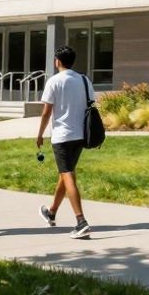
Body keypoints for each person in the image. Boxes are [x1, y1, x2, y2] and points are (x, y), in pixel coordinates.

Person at [35, 45, 93, 240]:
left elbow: (46, 112)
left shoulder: (54, 81)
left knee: (68, 176)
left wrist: (40, 134)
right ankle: (51, 212)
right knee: (65, 173)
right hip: (80, 136)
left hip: (62, 137)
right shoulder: (84, 80)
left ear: (57, 61)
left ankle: (81, 221)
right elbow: (91, 104)